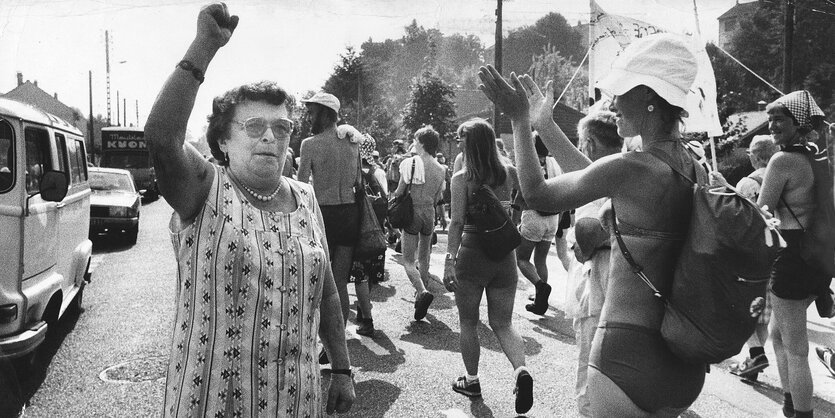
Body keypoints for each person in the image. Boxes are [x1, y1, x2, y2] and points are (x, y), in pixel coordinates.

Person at [478, 33, 707, 417]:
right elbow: (593, 179)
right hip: (682, 361)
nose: (612, 102)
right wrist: (545, 125)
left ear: (650, 97)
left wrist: (519, 120)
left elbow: (537, 194)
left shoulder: (631, 167)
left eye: (621, 90)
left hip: (626, 358)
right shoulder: (691, 166)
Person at [144, 4, 354, 416]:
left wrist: (343, 368)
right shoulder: (205, 189)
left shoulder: (305, 198)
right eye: (254, 127)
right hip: (214, 402)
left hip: (298, 398)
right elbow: (161, 139)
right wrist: (204, 46)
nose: (270, 138)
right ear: (223, 141)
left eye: (282, 128)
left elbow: (326, 288)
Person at [443, 118, 534, 414]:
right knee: (503, 323)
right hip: (504, 257)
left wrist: (448, 260)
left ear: (470, 144)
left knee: (468, 323)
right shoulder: (509, 173)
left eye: (460, 139)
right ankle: (521, 370)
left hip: (472, 254)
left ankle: (471, 381)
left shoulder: (461, 178)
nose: (458, 143)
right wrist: (513, 216)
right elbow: (523, 201)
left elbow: (456, 223)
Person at [756, 90, 826, 418]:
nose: (771, 126)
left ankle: (802, 413)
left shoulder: (782, 161)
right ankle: (789, 404)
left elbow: (761, 212)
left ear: (798, 122)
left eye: (779, 119)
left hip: (791, 257)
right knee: (776, 333)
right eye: (769, 119)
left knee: (797, 350)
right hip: (818, 256)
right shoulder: (818, 158)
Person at [297, 92, 375, 347]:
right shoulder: (353, 143)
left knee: (318, 281)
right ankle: (337, 342)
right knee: (339, 283)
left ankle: (322, 341)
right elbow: (356, 180)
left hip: (323, 215)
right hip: (350, 214)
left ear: (323, 113)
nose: (309, 116)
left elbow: (300, 187)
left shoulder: (309, 145)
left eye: (312, 112)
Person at [565, 110, 623, 417]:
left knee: (590, 372)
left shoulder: (595, 176)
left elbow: (583, 244)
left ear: (588, 143)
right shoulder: (632, 171)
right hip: (629, 292)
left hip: (599, 287)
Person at [729, 134, 778, 380]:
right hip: (778, 251)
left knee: (742, 305)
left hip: (751, 253)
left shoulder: (748, 183)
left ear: (755, 156)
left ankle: (756, 353)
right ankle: (752, 361)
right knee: (764, 310)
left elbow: (736, 219)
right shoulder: (782, 175)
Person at [391, 126, 446, 321]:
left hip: (413, 211)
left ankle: (421, 292)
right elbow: (439, 196)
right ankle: (419, 300)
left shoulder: (411, 162)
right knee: (424, 259)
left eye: (415, 140)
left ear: (421, 143)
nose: (413, 144)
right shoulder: (441, 168)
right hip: (429, 213)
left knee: (407, 261)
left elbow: (399, 192)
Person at [513, 134, 560, 316]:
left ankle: (540, 287)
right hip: (553, 217)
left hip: (533, 215)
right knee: (541, 259)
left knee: (522, 259)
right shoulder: (554, 163)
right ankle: (540, 297)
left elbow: (520, 195)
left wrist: (513, 220)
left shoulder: (529, 164)